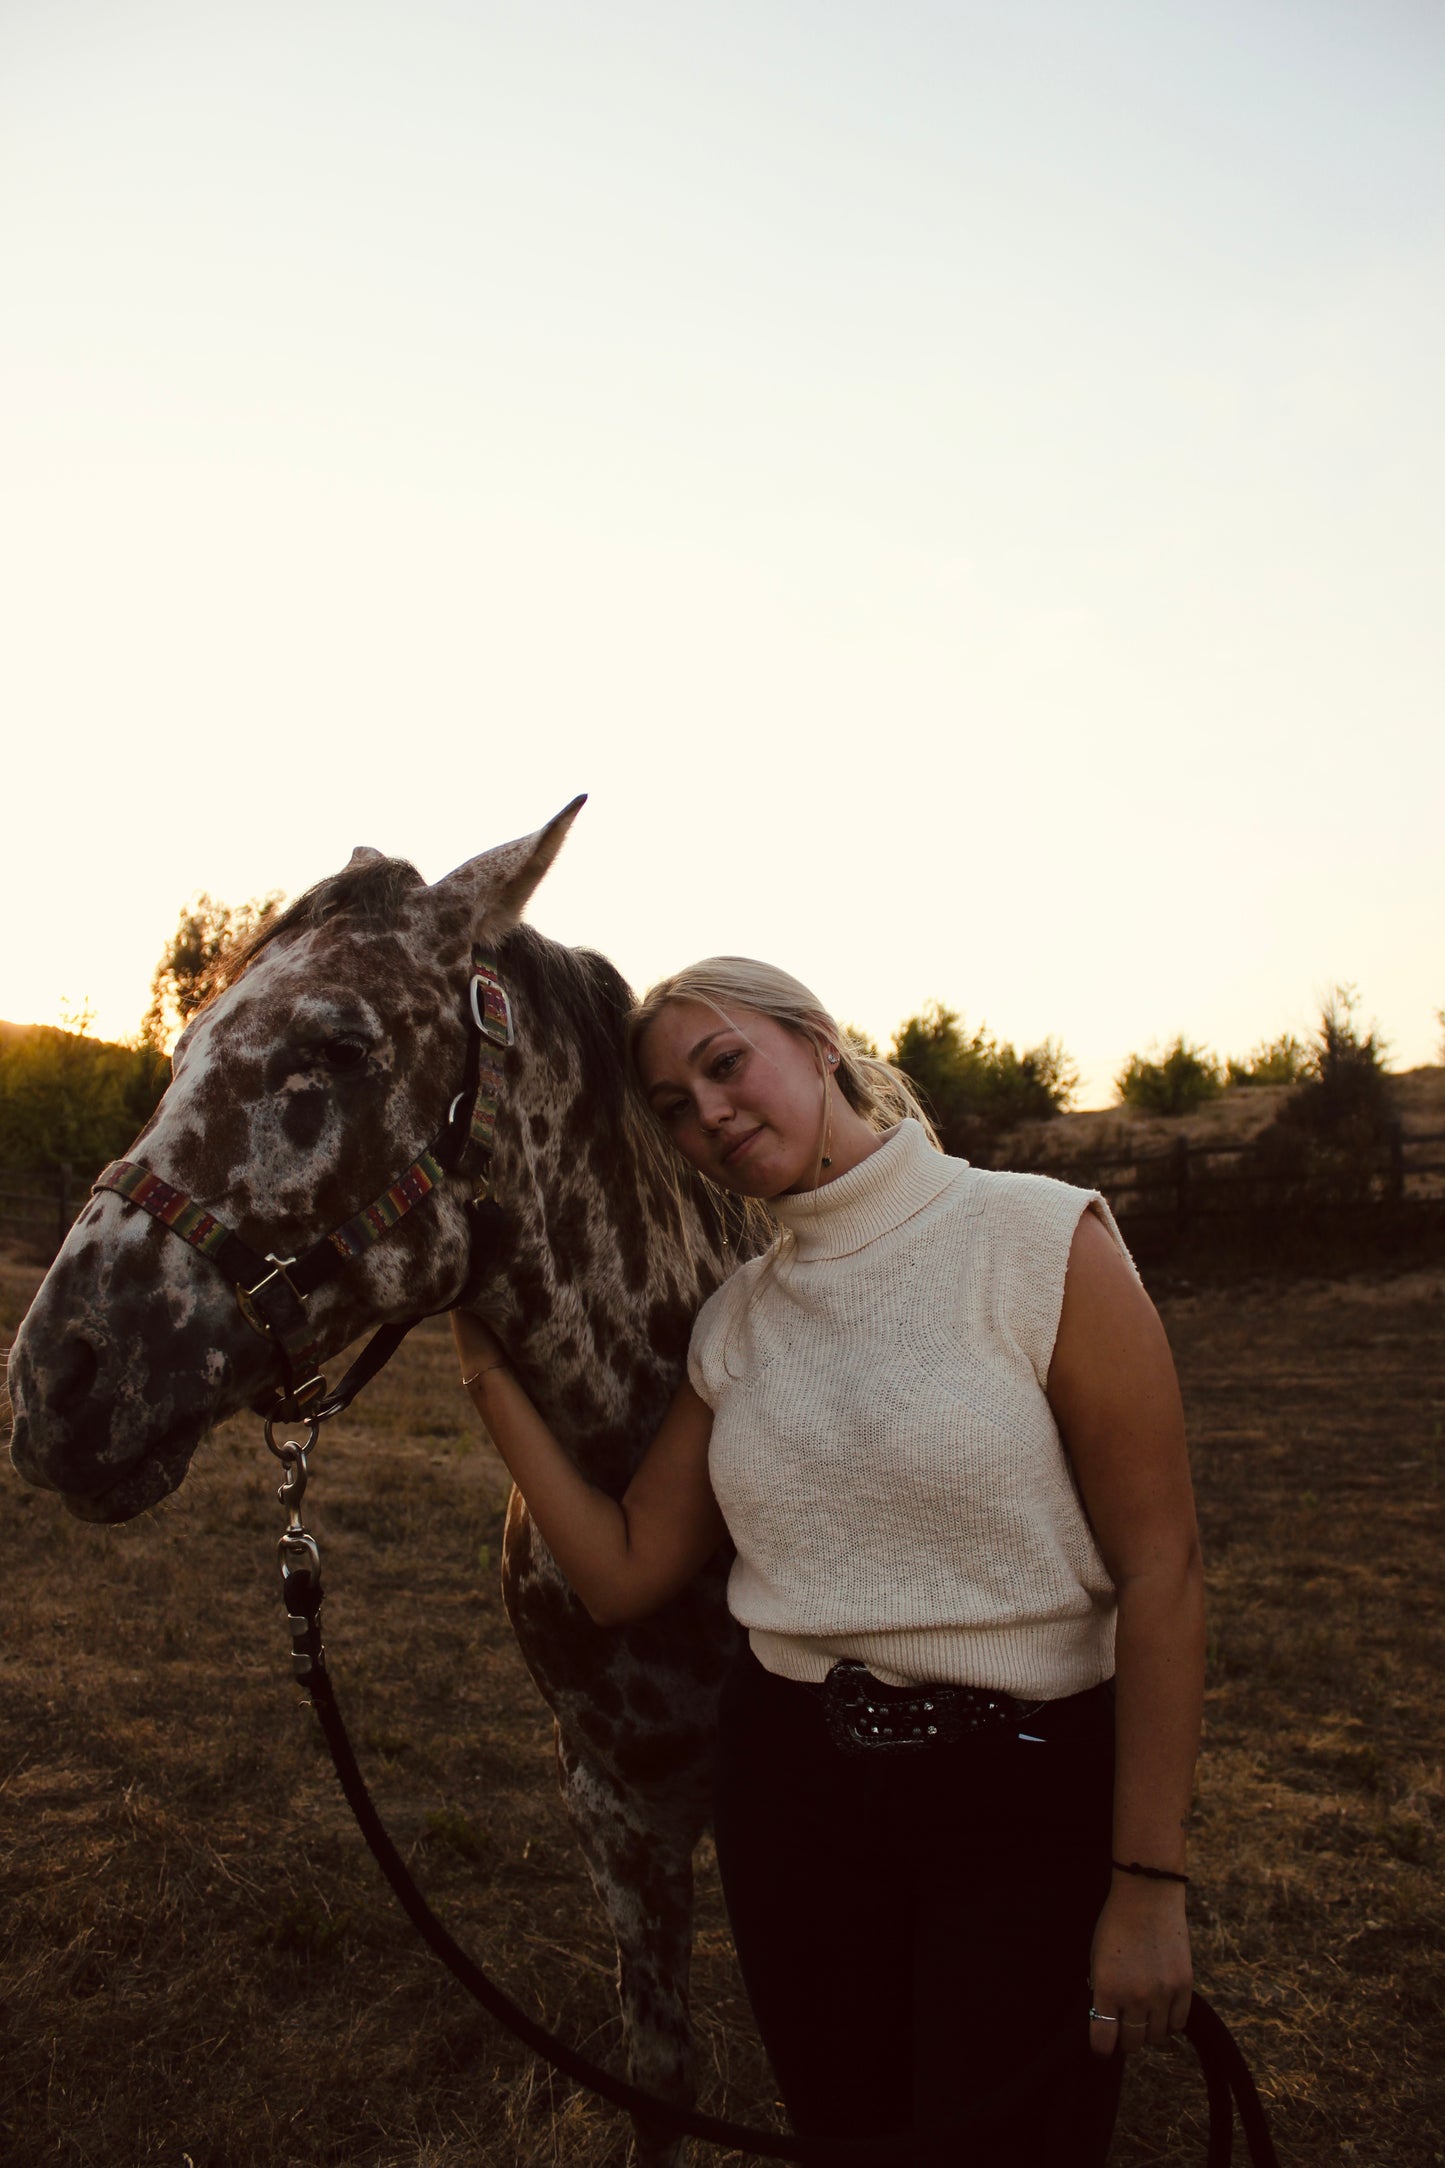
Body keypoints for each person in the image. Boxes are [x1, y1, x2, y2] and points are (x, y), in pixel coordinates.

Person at [452, 957, 1203, 2165]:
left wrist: (1147, 1878)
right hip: (792, 1795)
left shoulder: (1036, 1236)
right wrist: (489, 1375)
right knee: (847, 2136)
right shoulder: (738, 1317)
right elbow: (623, 1569)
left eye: (723, 1062)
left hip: (1019, 1794)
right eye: (672, 1106)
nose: (708, 1113)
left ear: (814, 1040)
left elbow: (1161, 1567)